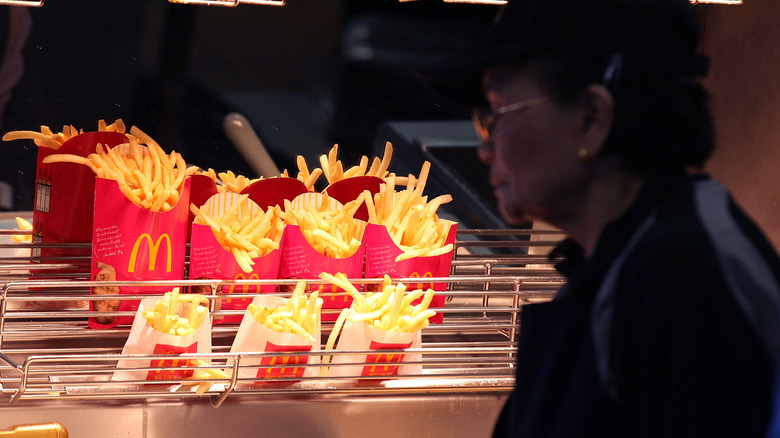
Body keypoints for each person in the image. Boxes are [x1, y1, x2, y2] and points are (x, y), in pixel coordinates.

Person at [417, 0, 780, 437]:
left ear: (591, 118)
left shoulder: (679, 277)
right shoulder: (615, 257)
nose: (485, 148)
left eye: (497, 113)